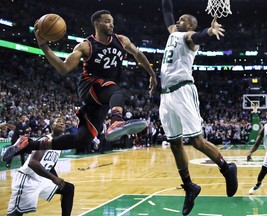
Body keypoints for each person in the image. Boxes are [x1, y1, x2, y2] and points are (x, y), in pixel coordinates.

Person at [3, 10, 157, 161]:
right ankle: (115, 120)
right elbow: (64, 68)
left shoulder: (121, 40)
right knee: (117, 91)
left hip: (103, 97)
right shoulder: (86, 46)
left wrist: (152, 74)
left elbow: (138, 54)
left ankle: (28, 144)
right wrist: (43, 45)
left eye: (113, 22)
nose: (112, 25)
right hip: (89, 86)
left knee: (83, 139)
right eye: (108, 21)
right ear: (97, 23)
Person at [159, 0, 238, 215]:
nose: (178, 21)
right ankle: (190, 187)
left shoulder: (188, 37)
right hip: (165, 94)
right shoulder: (174, 33)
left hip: (183, 90)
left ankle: (226, 168)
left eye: (182, 20)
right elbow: (167, 11)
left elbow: (198, 37)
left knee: (196, 141)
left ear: (190, 25)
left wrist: (209, 32)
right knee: (175, 144)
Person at [7, 117, 75, 216]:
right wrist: (53, 178)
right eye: (58, 122)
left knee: (68, 189)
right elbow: (33, 163)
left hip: (41, 180)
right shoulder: (45, 140)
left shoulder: (58, 145)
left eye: (63, 123)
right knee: (15, 214)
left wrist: (57, 180)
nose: (61, 124)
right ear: (52, 126)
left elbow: (50, 167)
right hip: (27, 179)